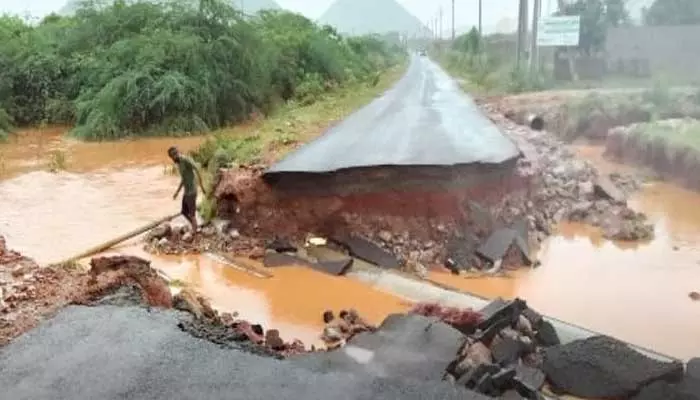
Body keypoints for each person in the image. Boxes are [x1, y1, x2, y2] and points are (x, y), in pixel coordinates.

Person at [168, 146, 206, 233]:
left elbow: (196, 168)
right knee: (184, 212)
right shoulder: (179, 164)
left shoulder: (185, 159)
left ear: (176, 154)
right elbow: (184, 179)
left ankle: (195, 230)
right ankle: (195, 226)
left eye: (174, 155)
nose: (173, 158)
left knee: (192, 214)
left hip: (192, 191)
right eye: (171, 157)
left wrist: (202, 186)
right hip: (186, 192)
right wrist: (177, 192)